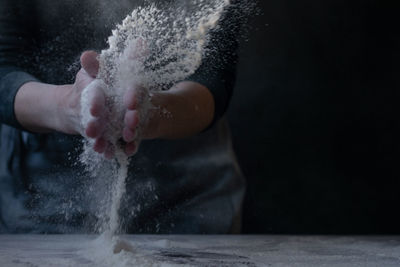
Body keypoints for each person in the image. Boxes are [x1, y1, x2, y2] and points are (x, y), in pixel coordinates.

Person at [0, 0, 245, 234]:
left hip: (189, 201)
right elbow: (4, 68)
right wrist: (69, 106)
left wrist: (155, 112)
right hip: (43, 200)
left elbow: (214, 74)